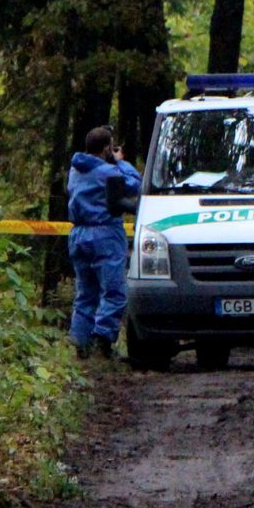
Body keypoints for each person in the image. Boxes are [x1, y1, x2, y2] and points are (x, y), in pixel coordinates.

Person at [66, 124, 141, 359]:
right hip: (104, 235)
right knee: (115, 292)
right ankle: (102, 340)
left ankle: (80, 343)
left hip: (78, 235)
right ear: (107, 148)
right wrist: (119, 161)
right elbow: (134, 183)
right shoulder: (108, 172)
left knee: (85, 293)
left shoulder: (75, 171)